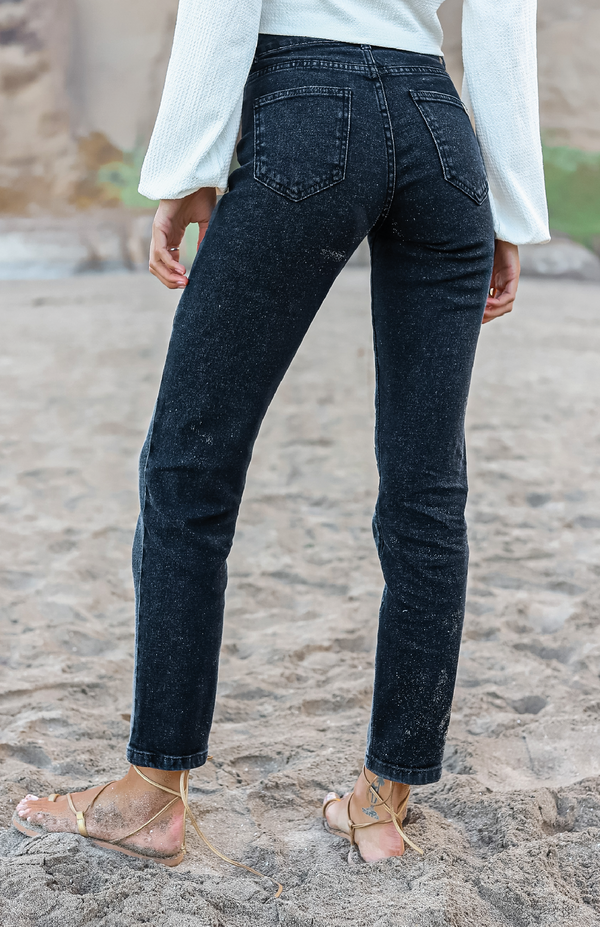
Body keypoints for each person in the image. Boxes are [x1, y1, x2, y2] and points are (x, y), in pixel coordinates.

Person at [13, 0, 549, 889]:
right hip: (439, 128)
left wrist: (187, 165)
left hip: (306, 108)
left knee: (189, 469)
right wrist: (513, 208)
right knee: (426, 490)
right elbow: (501, 16)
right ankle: (382, 803)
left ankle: (151, 795)